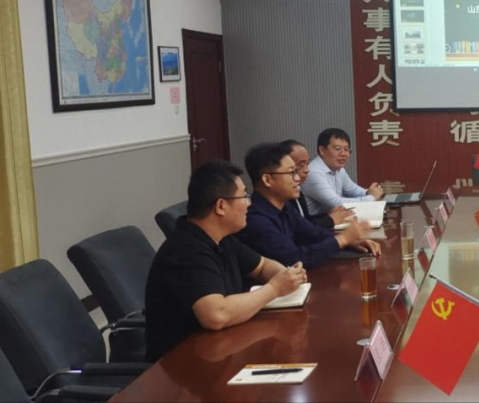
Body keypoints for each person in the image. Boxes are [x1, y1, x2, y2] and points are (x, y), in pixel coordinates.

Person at [145, 160, 307, 362]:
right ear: (221, 206)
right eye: (244, 196)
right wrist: (275, 288)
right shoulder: (186, 250)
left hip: (219, 351)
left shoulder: (222, 238)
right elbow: (216, 315)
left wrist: (285, 275)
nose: (249, 203)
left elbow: (262, 266)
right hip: (182, 364)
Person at [237, 143, 381, 269]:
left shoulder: (284, 206)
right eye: (291, 173)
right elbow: (292, 259)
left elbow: (313, 233)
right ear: (267, 180)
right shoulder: (254, 219)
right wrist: (342, 239)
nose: (298, 178)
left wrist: (350, 242)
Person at [302, 128, 384, 216]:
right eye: (337, 149)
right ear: (322, 150)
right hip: (315, 222)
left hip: (332, 219)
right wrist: (372, 197)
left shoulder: (339, 169)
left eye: (346, 149)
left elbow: (352, 190)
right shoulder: (314, 173)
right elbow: (337, 203)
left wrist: (369, 192)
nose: (343, 154)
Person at [281, 139, 354, 230]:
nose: (307, 170)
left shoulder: (297, 191)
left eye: (307, 164)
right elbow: (299, 230)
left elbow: (305, 221)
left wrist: (328, 215)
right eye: (300, 165)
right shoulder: (281, 199)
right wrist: (330, 220)